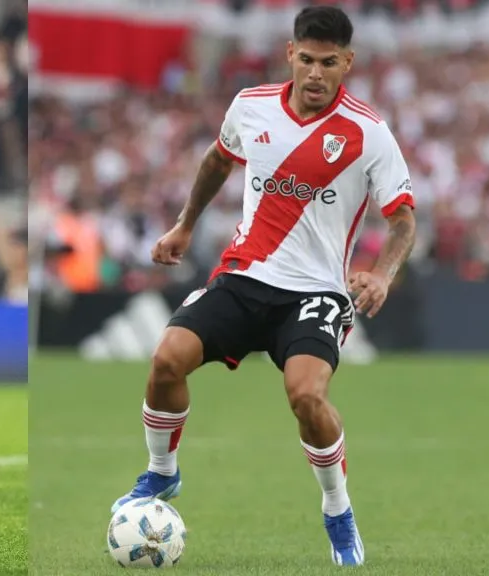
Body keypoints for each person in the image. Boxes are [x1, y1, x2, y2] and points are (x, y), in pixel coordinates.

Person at [111, 6, 416, 567]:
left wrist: (382, 273)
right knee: (165, 360)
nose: (316, 73)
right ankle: (161, 474)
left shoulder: (369, 132)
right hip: (244, 276)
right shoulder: (250, 106)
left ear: (347, 62)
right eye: (307, 60)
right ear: (289, 55)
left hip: (316, 292)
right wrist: (185, 224)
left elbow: (402, 220)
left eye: (329, 62)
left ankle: (337, 510)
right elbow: (215, 160)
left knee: (306, 395)